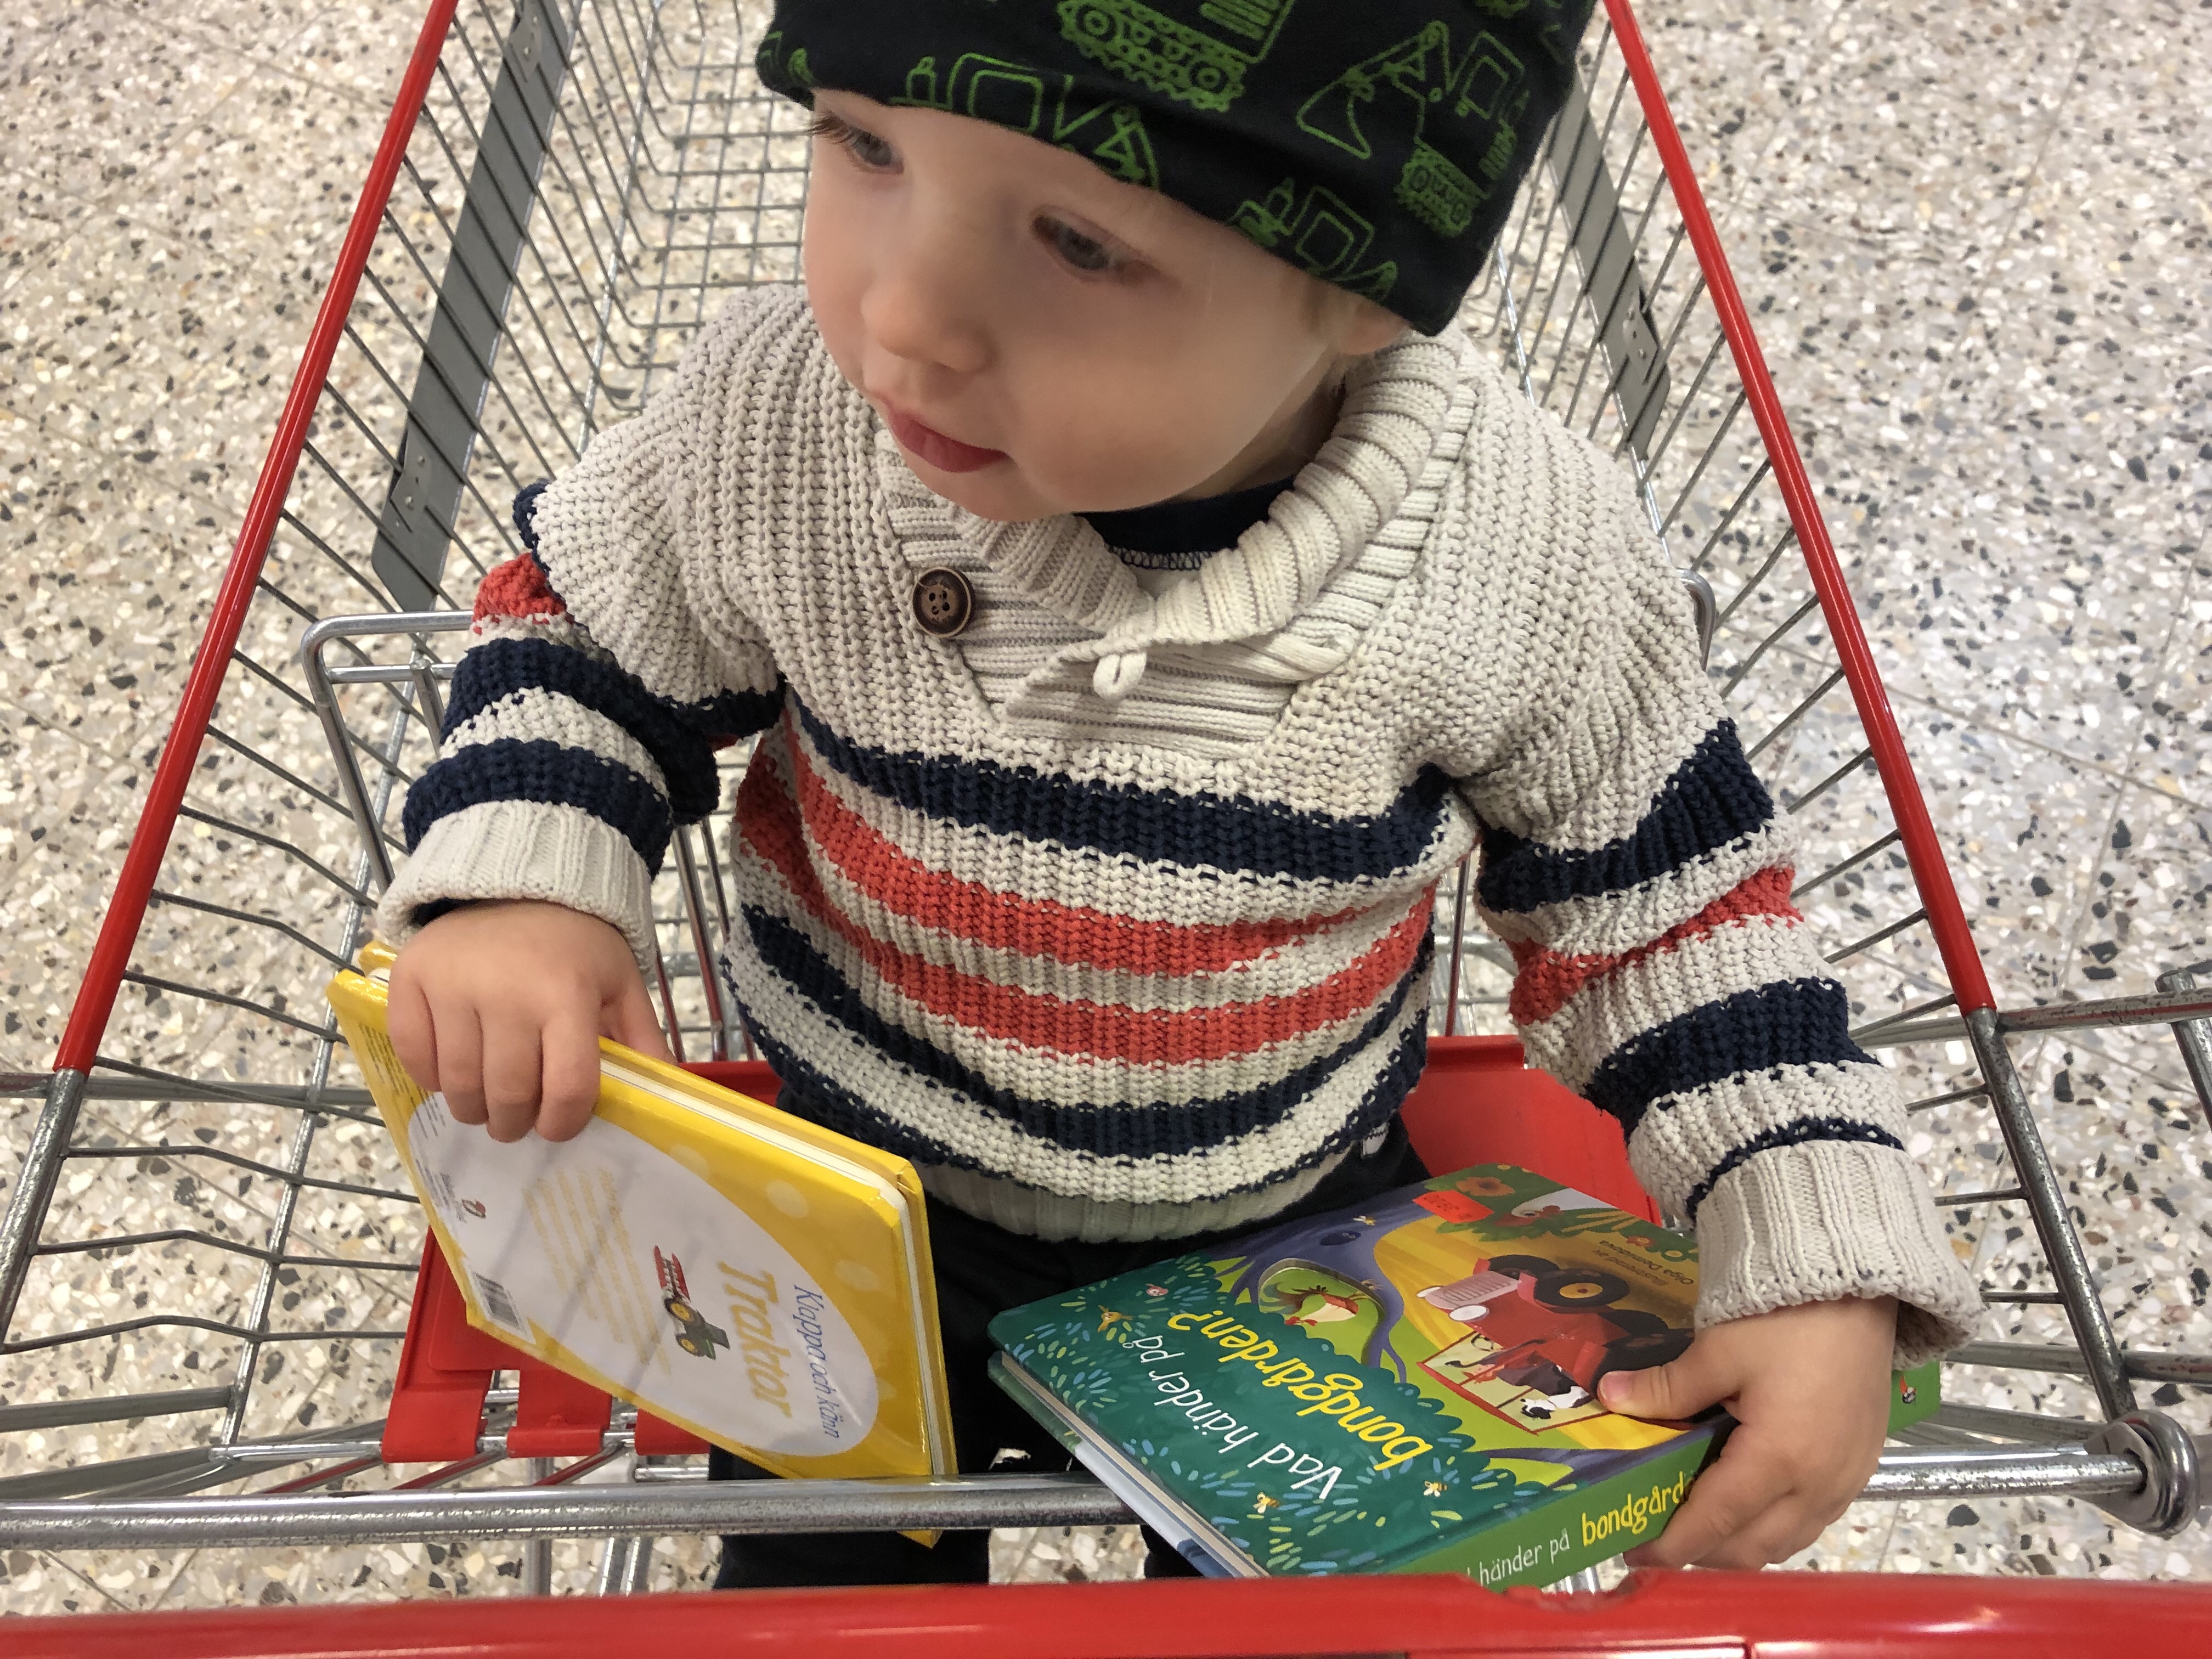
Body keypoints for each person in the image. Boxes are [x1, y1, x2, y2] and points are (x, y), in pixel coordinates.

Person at [377, 0, 1980, 1583]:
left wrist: (1805, 1225)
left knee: (1301, 1620)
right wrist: (527, 874)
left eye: (1079, 242)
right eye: (864, 142)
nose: (906, 318)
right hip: (857, 1203)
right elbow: (592, 630)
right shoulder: (781, 422)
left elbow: (1672, 915)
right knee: (824, 1599)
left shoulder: (1525, 557)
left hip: (1294, 1234)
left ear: (1365, 288)